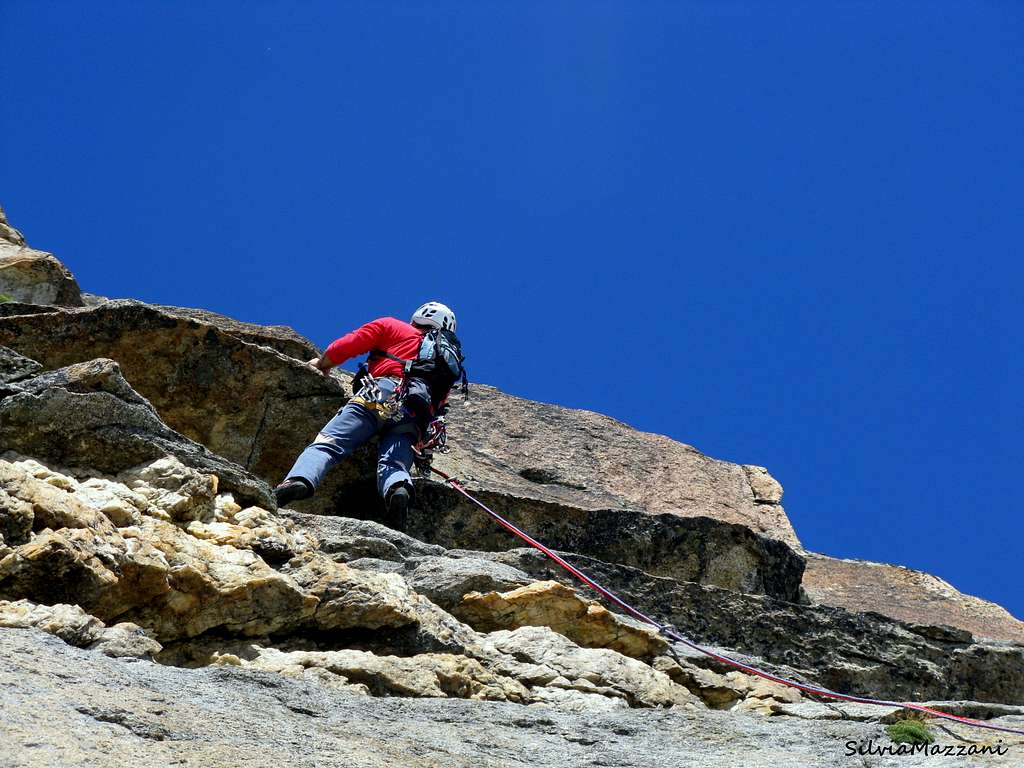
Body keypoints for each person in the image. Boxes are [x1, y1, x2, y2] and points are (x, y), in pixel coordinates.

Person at [272, 301, 459, 530]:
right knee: (395, 463)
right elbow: (439, 406)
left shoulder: (392, 326)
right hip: (414, 417)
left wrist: (323, 363)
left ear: (418, 316)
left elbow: (348, 345)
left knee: (330, 443)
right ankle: (397, 490)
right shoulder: (443, 362)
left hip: (379, 393)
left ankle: (299, 481)